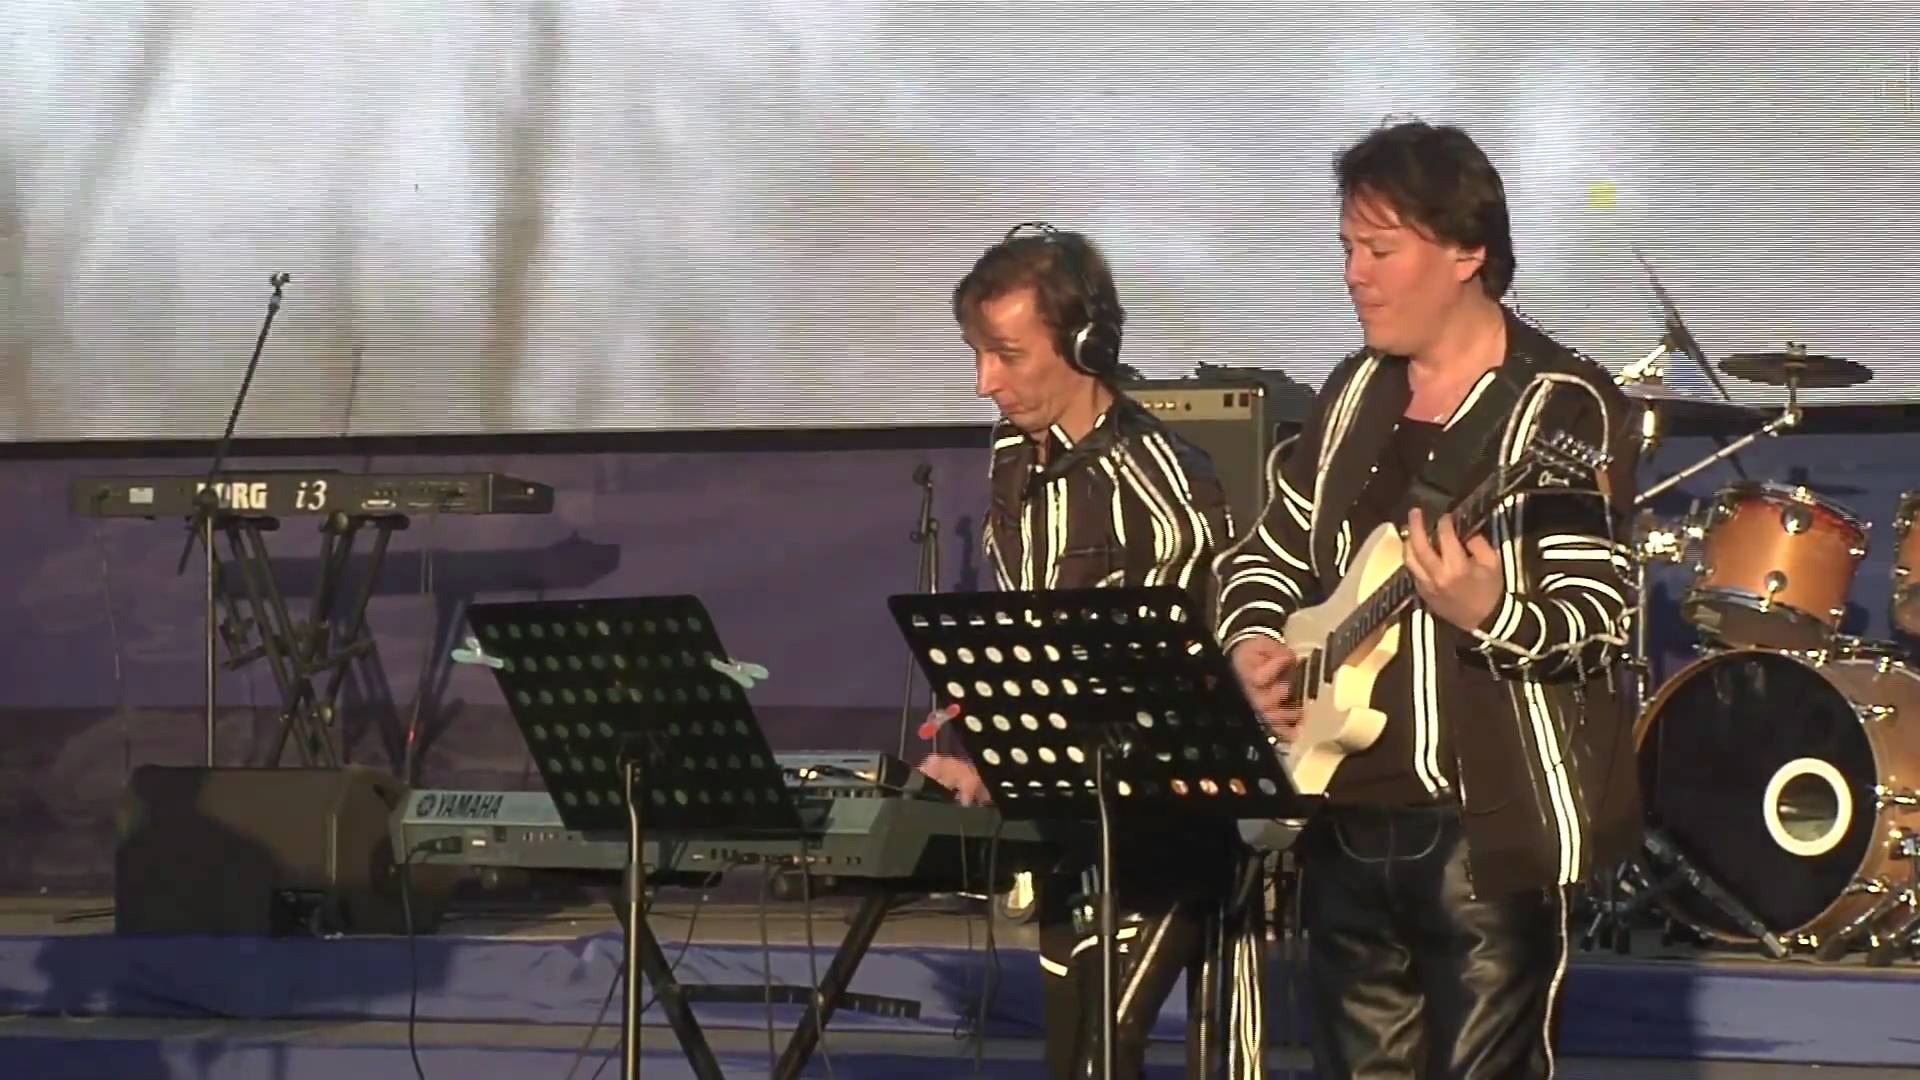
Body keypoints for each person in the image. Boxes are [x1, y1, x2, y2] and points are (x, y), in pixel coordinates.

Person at [1216, 120, 1642, 1079]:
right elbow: (1267, 555)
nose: (1354, 276)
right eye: (1346, 250)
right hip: (1338, 822)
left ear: (1466, 251)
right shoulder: (1350, 393)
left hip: (1481, 840)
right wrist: (1251, 644)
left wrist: (1493, 613)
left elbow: (1598, 614)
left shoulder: (1560, 404)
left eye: (1379, 251)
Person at [918, 222, 1266, 1079]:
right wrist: (994, 741)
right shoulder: (1012, 455)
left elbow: (1180, 682)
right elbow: (1034, 645)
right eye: (977, 355)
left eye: (1006, 356)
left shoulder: (1161, 483)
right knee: (1072, 1056)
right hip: (1070, 818)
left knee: (1102, 1053)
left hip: (1171, 823)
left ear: (1086, 346)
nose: (985, 382)